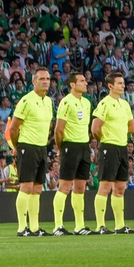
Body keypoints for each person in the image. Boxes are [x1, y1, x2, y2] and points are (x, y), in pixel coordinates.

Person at [7, 66, 54, 236]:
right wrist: (17, 147)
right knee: (26, 187)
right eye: (42, 79)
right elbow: (13, 128)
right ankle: (22, 228)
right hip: (27, 146)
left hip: (41, 148)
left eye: (47, 79)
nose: (45, 82)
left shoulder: (48, 101)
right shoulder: (26, 101)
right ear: (34, 81)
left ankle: (34, 227)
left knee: (38, 188)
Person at [91, 72, 134, 235]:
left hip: (122, 147)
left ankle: (120, 225)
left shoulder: (125, 104)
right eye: (119, 83)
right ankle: (100, 225)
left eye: (123, 83)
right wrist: (105, 139)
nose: (123, 86)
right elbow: (95, 128)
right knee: (104, 187)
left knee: (119, 188)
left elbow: (132, 127)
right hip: (109, 147)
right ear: (110, 86)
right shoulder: (105, 104)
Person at [51, 71, 93, 235]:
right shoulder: (66, 102)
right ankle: (58, 226)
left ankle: (79, 226)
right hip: (70, 146)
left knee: (80, 187)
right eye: (82, 81)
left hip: (84, 146)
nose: (86, 83)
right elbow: (58, 130)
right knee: (65, 187)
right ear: (73, 85)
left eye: (85, 80)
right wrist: (61, 148)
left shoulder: (87, 103)